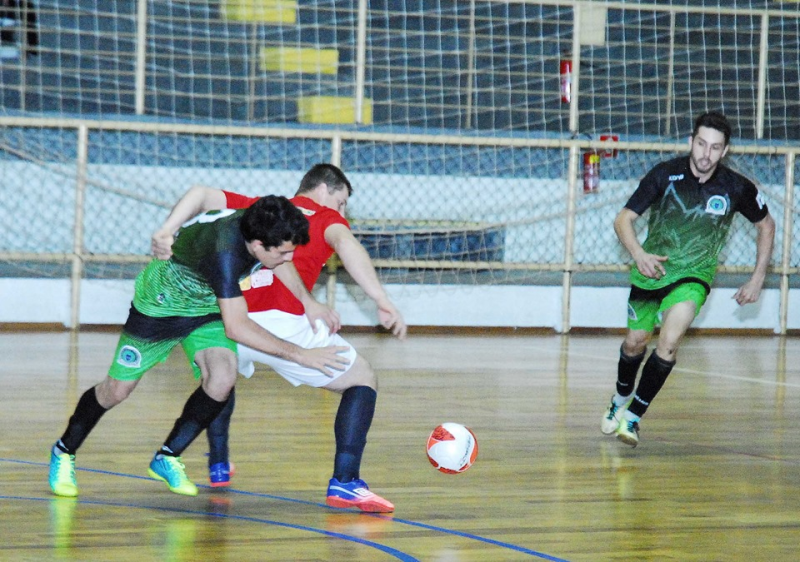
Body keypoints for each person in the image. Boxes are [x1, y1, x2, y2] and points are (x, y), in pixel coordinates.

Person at [49, 195, 349, 498]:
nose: (289, 258)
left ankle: (168, 456)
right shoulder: (226, 255)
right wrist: (301, 355)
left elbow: (206, 197)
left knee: (222, 377)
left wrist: (308, 302)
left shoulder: (258, 225)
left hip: (206, 305)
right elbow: (237, 326)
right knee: (116, 390)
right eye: (285, 252)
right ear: (258, 245)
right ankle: (63, 451)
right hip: (161, 306)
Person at [151, 163, 407, 513]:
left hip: (228, 314)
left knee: (221, 379)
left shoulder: (260, 209)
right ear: (323, 190)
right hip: (284, 321)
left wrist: (167, 230)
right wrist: (380, 298)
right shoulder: (325, 218)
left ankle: (219, 463)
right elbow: (347, 244)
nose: (342, 211)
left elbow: (200, 193)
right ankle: (345, 482)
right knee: (362, 378)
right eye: (342, 201)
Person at [600, 111, 775, 447]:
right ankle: (619, 399)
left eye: (714, 148)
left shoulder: (737, 187)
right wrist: (639, 254)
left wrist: (757, 279)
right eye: (701, 144)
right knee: (635, 342)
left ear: (725, 152)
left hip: (693, 276)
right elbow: (624, 219)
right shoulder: (664, 175)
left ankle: (633, 418)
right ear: (690, 142)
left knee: (669, 341)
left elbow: (766, 225)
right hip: (652, 270)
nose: (705, 154)